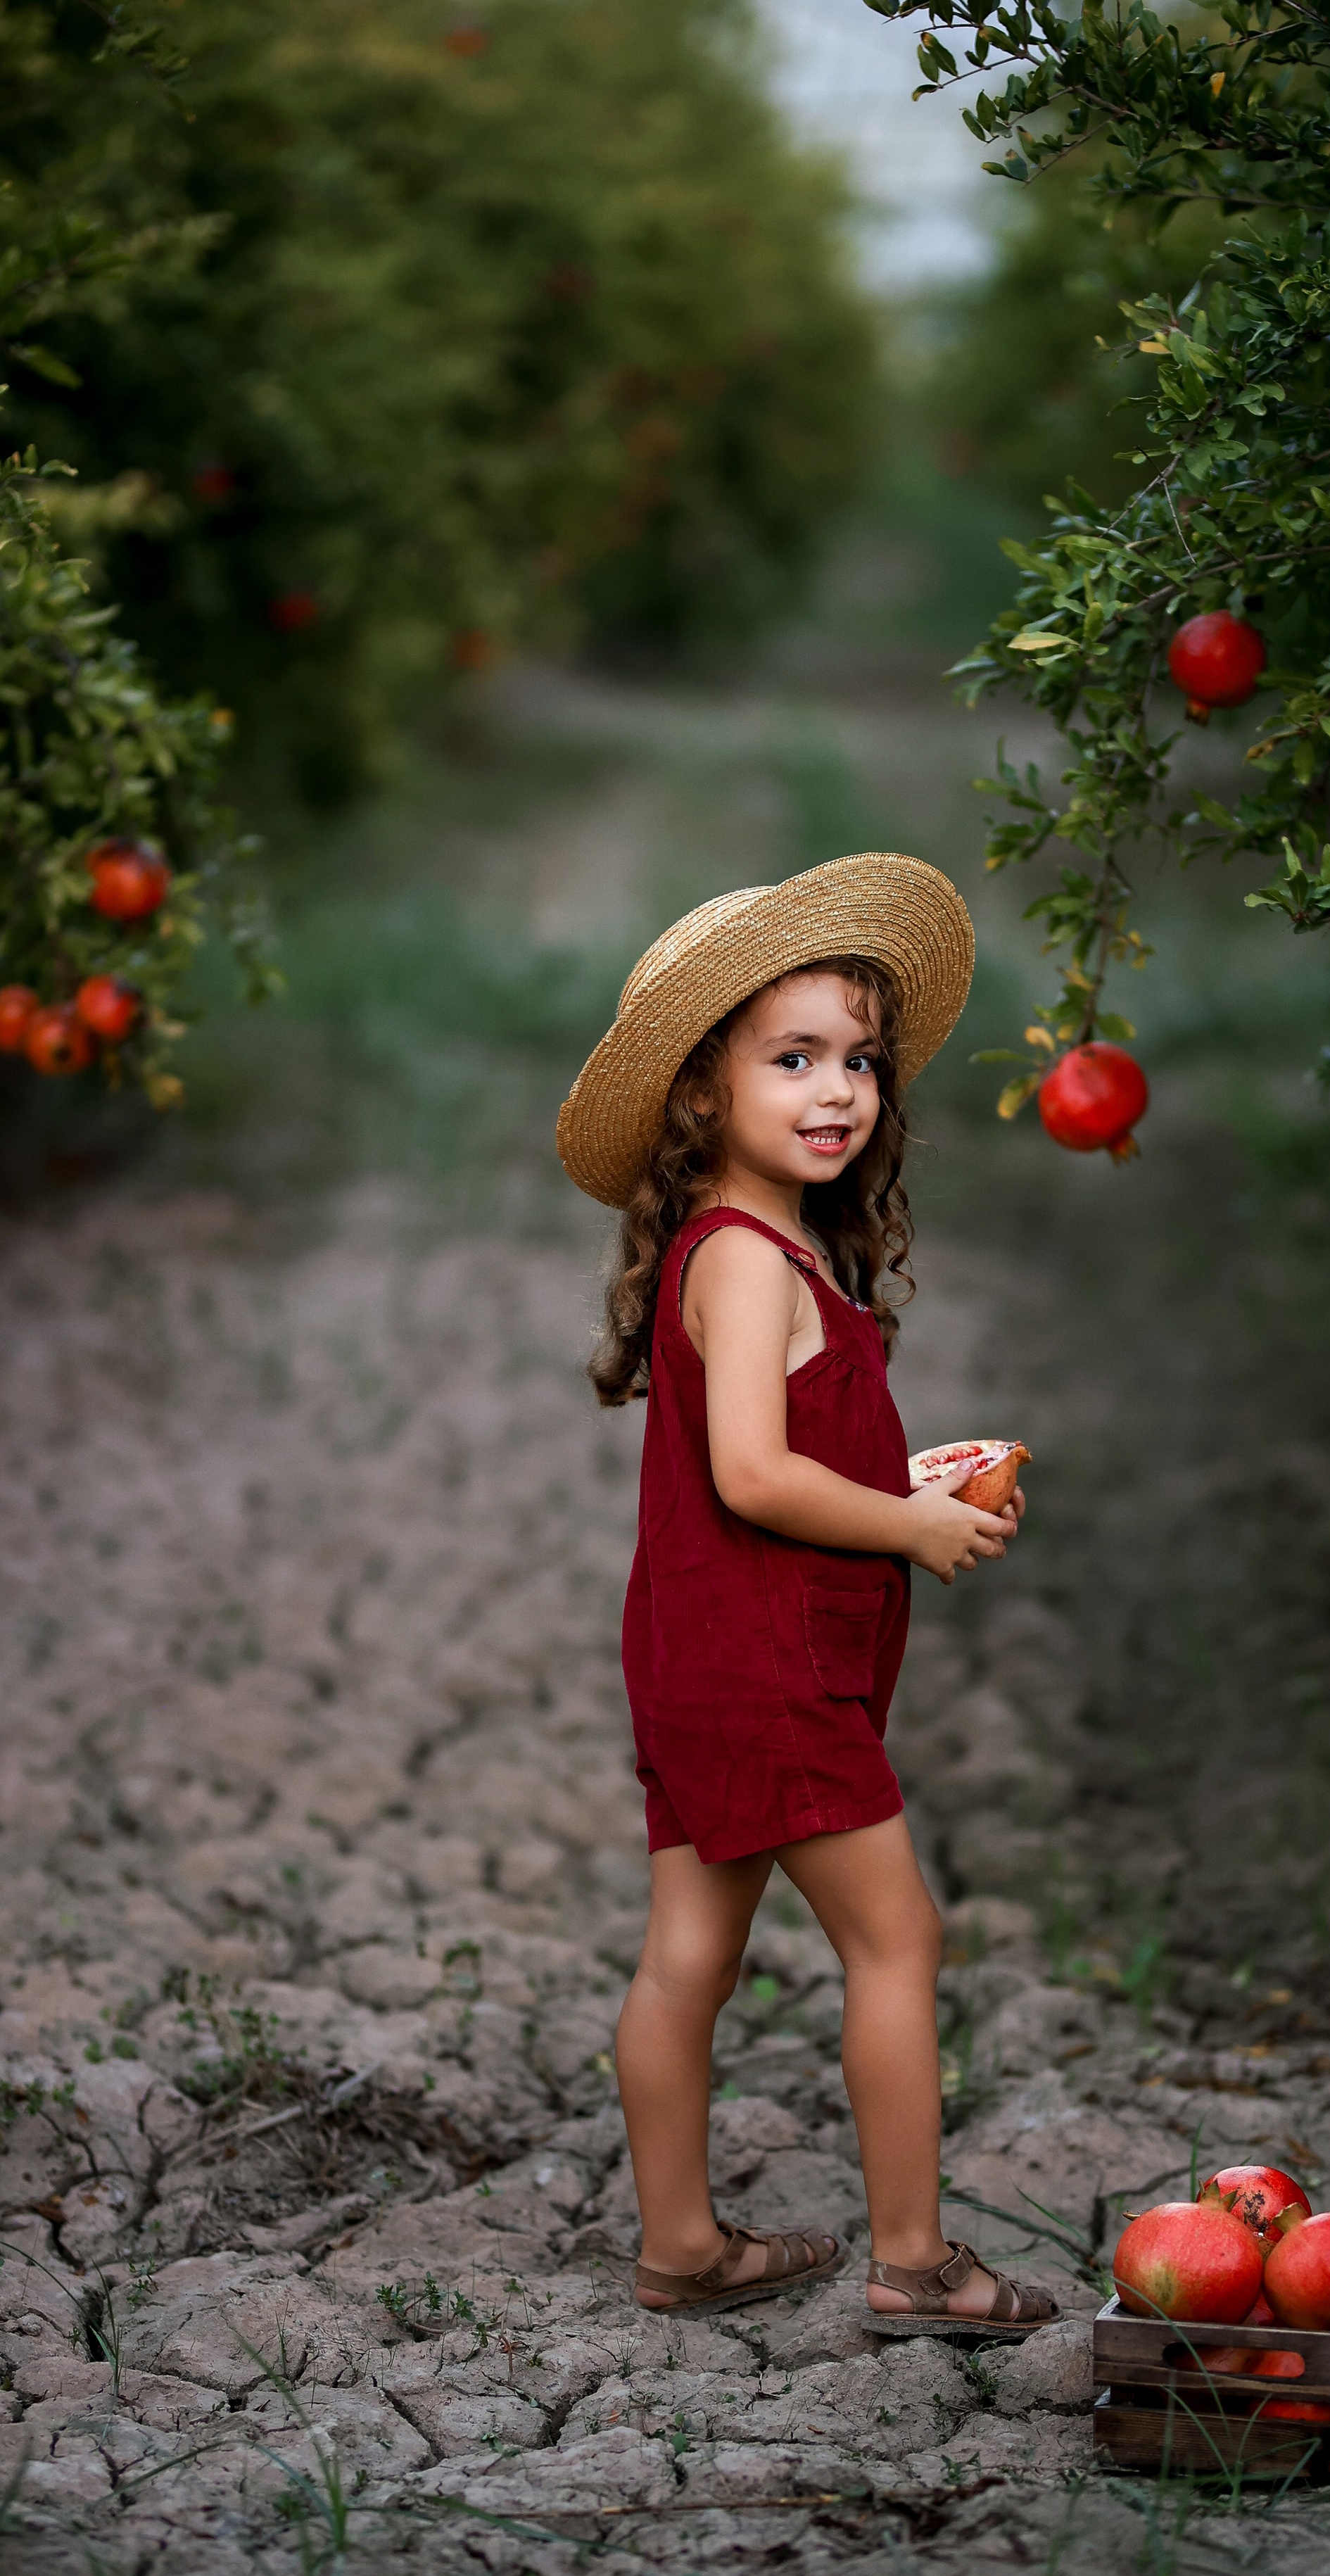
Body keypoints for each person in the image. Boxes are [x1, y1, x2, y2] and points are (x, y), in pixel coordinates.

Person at [557, 854, 1057, 2340]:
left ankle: (681, 2245)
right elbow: (758, 1481)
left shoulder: (766, 1249)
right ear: (702, 1094)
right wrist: (906, 1528)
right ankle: (911, 2261)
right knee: (897, 1939)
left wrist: (912, 1478)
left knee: (690, 1954)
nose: (836, 1088)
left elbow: (797, 1449)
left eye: (855, 1059)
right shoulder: (744, 1260)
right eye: (791, 1059)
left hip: (710, 1653)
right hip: (765, 1664)